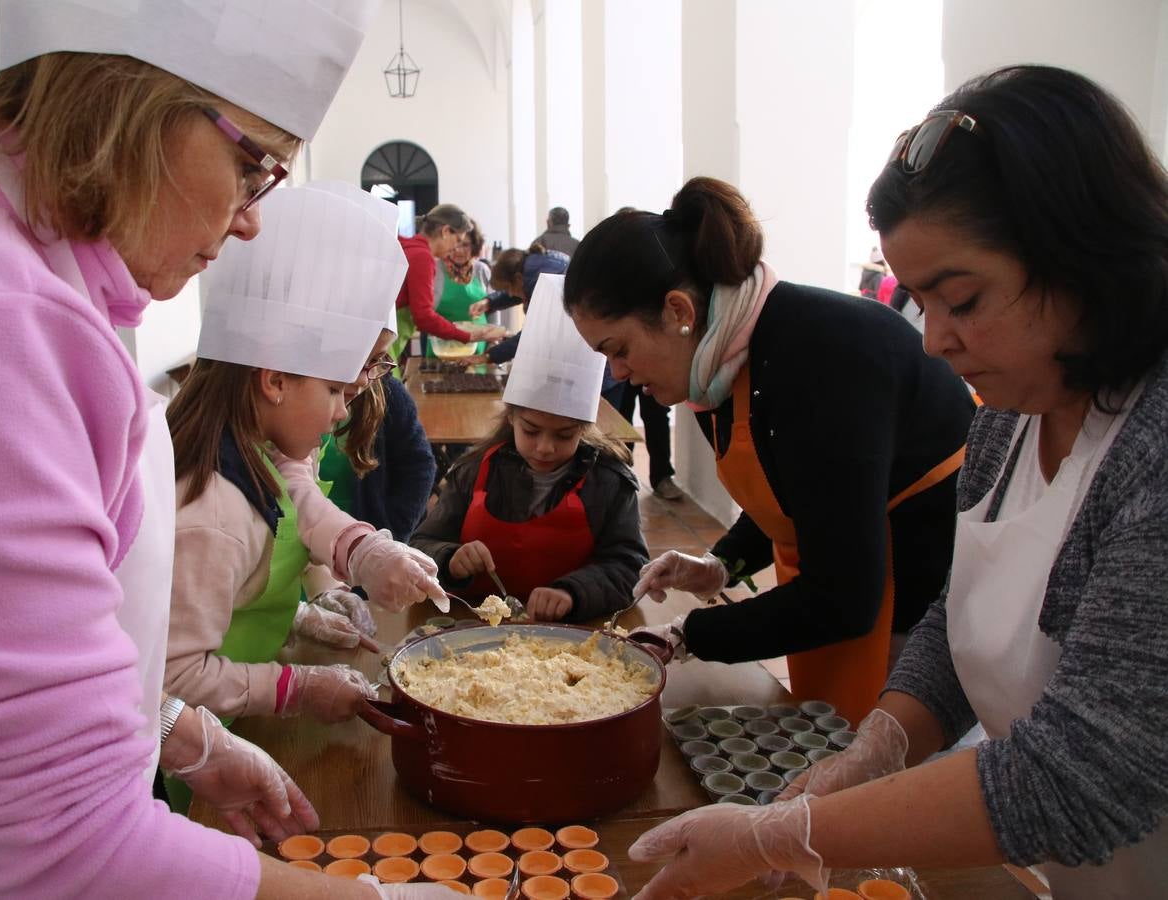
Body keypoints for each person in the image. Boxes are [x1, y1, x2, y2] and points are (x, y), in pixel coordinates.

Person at [0, 1, 464, 896]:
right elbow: (69, 848)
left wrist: (175, 733)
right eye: (249, 165)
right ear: (130, 101)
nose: (248, 220)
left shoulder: (25, 275)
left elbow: (6, 660)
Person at [620, 64, 1168, 900]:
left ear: (1084, 257)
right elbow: (963, 616)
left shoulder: (1149, 452)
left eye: (962, 298)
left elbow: (1086, 771)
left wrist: (788, 831)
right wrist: (879, 744)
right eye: (919, 300)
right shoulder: (1013, 416)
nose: (933, 340)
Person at [565, 178, 976, 726]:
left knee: (892, 761)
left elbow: (843, 596)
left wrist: (687, 634)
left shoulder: (823, 358)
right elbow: (800, 491)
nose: (616, 373)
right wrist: (721, 565)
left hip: (919, 588)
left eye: (617, 350)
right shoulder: (724, 360)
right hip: (848, 583)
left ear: (677, 309)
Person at [161, 183, 415, 808]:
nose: (344, 407)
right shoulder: (212, 511)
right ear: (273, 380)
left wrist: (306, 609)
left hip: (244, 718)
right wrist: (298, 688)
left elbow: (236, 585)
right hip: (208, 762)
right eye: (335, 391)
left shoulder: (261, 449)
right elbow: (172, 678)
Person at [412, 274, 648, 622]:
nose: (545, 447)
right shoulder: (473, 471)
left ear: (584, 429)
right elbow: (421, 546)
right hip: (473, 629)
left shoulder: (610, 483)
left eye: (564, 435)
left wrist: (573, 591)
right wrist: (450, 558)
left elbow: (629, 567)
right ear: (511, 418)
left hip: (571, 635)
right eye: (531, 430)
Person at [318, 323, 437, 544]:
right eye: (354, 360)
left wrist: (393, 533)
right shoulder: (293, 405)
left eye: (376, 360)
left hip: (364, 542)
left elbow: (419, 466)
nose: (364, 379)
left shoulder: (391, 397)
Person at [392, 204, 503, 359]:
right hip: (386, 345)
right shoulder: (422, 257)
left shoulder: (408, 246)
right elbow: (423, 317)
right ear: (445, 231)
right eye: (457, 240)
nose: (455, 248)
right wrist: (467, 336)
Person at [477, 242, 571, 364]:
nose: (510, 294)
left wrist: (489, 356)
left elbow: (532, 335)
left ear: (518, 278)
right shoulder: (533, 270)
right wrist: (489, 302)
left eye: (507, 288)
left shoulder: (544, 283)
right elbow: (520, 291)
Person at [429, 219, 493, 356]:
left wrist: (493, 341)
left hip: (477, 345)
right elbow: (426, 311)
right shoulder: (434, 268)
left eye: (465, 245)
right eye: (456, 244)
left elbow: (493, 308)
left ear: (475, 246)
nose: (459, 250)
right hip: (441, 345)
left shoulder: (482, 270)